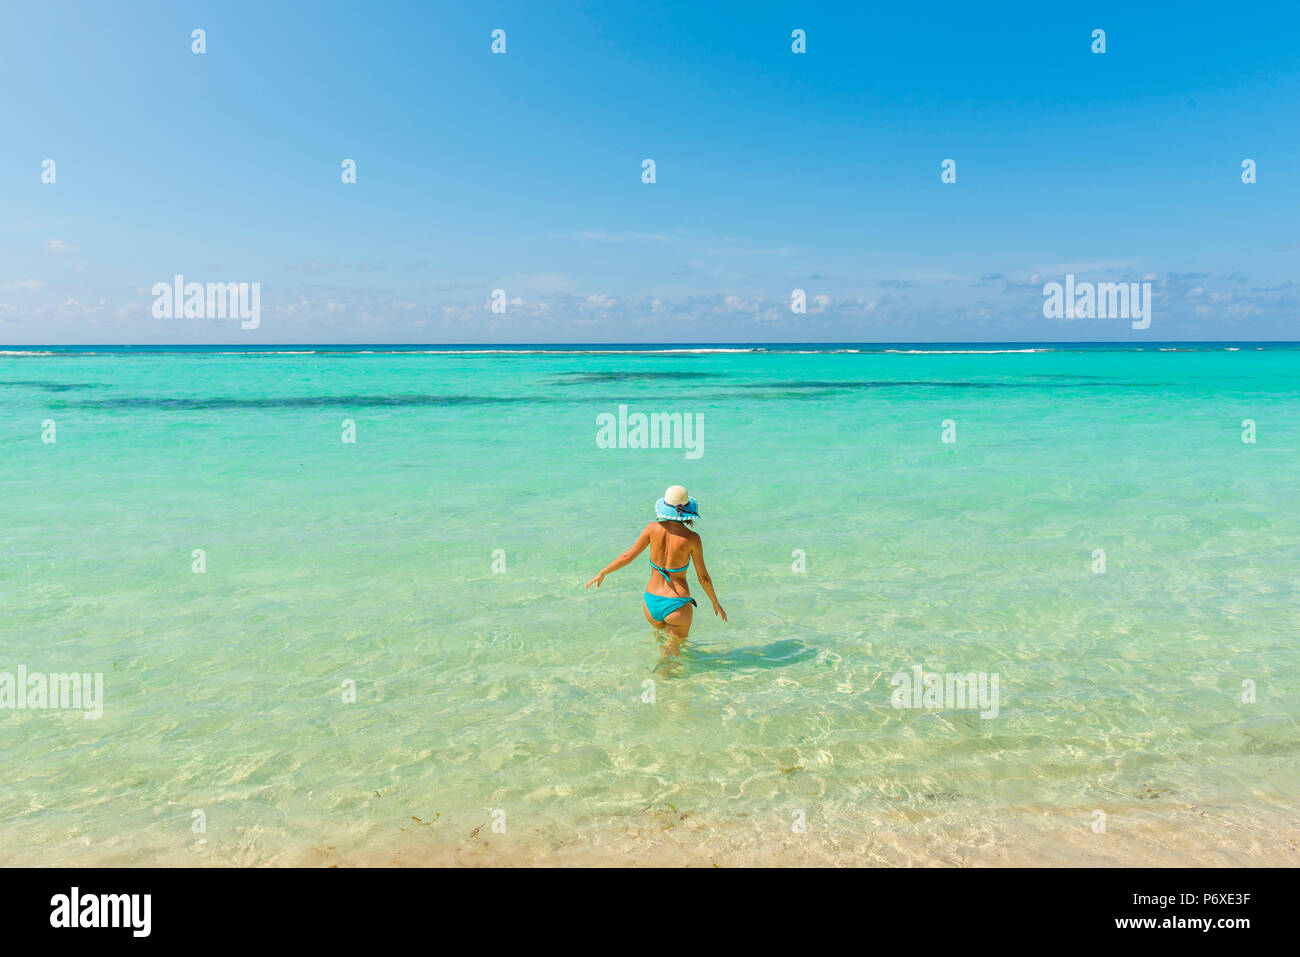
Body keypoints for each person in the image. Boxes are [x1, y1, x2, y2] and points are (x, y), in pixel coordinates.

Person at [585, 485, 727, 657]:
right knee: (673, 654)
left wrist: (603, 573)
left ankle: (660, 678)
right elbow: (703, 577)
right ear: (687, 510)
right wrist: (715, 601)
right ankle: (667, 678)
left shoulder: (652, 528)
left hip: (651, 603)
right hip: (676, 604)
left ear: (665, 508)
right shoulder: (692, 538)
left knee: (663, 646)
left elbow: (627, 557)